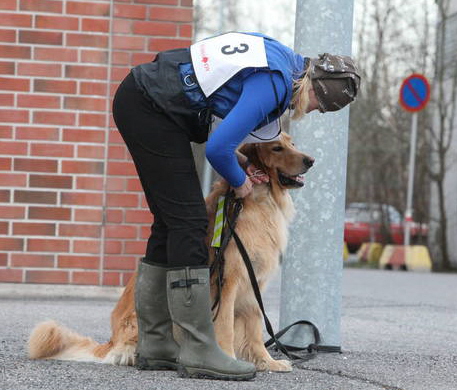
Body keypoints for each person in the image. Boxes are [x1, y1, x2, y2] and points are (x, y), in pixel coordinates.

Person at [112, 32, 360, 381]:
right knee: (189, 221)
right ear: (315, 88)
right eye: (319, 104)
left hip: (143, 99)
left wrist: (245, 168)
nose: (310, 111)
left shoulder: (281, 60)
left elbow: (234, 142)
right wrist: (241, 182)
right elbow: (218, 149)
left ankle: (155, 345)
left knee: (170, 221)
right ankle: (200, 349)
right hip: (150, 106)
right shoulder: (276, 84)